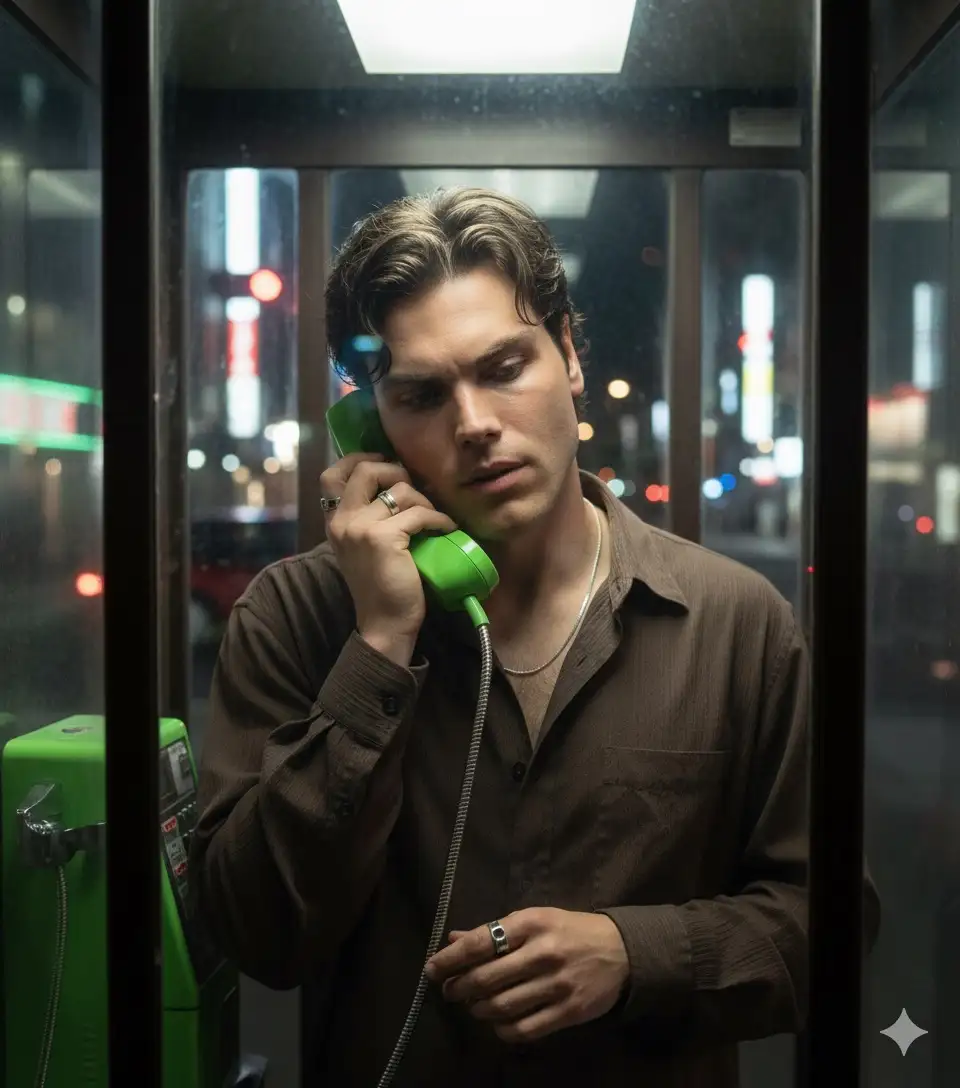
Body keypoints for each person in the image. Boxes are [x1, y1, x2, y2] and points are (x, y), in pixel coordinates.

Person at [191, 187, 880, 1087]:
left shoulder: (735, 620)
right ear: (372, 423)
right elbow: (256, 936)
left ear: (569, 353)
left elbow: (830, 922)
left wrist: (637, 955)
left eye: (504, 366)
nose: (474, 423)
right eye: (424, 393)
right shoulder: (297, 616)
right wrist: (379, 648)